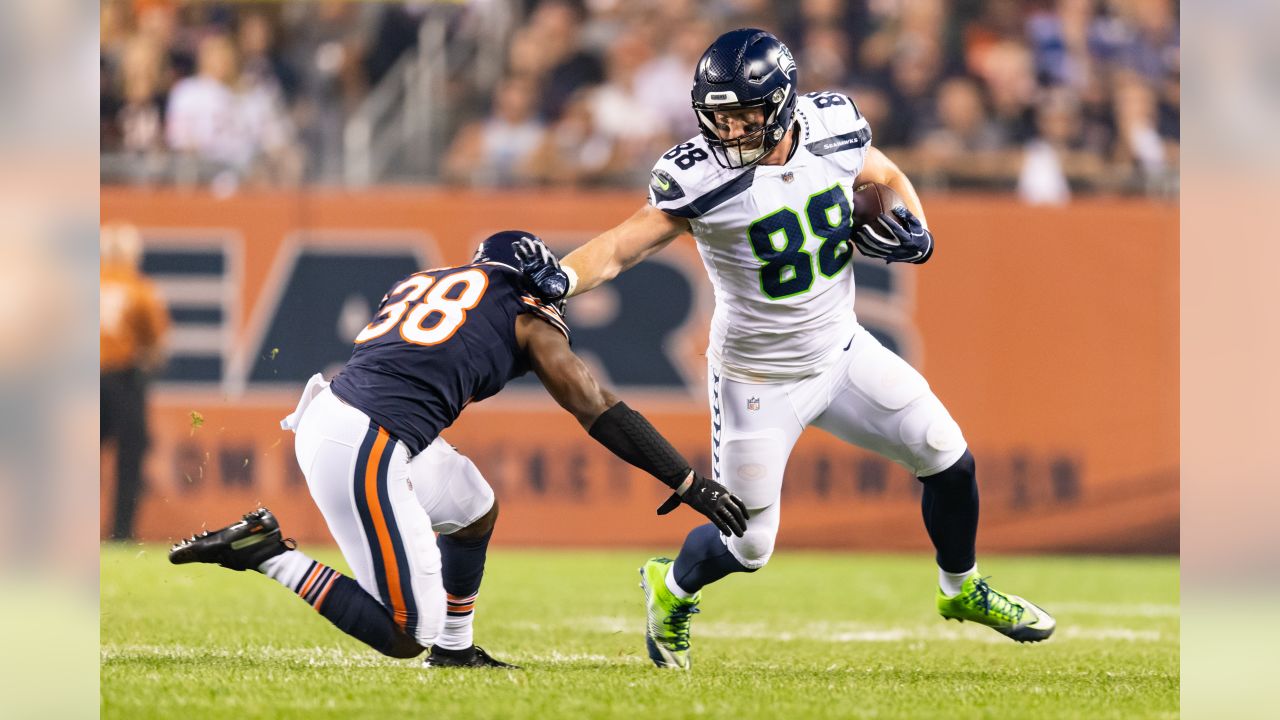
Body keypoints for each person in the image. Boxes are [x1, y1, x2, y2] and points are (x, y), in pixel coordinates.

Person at [519, 28, 1056, 669]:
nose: (730, 127)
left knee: (949, 457)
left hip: (843, 350)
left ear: (782, 103)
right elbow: (621, 245)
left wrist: (919, 227)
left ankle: (961, 588)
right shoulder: (700, 177)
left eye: (744, 112)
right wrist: (561, 278)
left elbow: (882, 171)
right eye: (717, 114)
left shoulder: (832, 126)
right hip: (758, 378)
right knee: (748, 547)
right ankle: (670, 585)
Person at [169, 232, 748, 668]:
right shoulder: (525, 315)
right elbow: (592, 403)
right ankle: (267, 552)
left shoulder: (425, 281)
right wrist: (686, 480)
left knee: (473, 507)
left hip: (355, 418)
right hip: (365, 440)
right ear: (535, 281)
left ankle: (455, 651)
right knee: (402, 632)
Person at [100, 224, 170, 542]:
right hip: (120, 379)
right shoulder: (138, 288)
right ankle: (121, 531)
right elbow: (155, 343)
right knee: (131, 456)